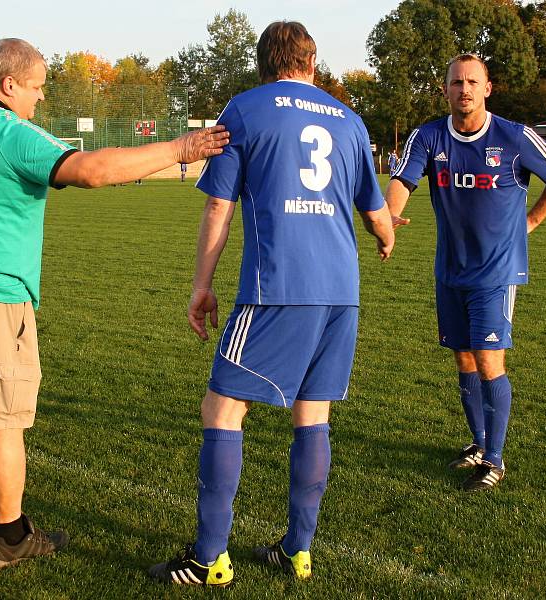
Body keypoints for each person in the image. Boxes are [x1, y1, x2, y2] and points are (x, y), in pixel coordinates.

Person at [0, 37, 228, 568]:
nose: (40, 99)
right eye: (38, 88)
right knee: (4, 421)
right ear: (9, 84)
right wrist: (180, 150)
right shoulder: (9, 131)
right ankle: (10, 537)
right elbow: (89, 171)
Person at [148, 21, 395, 586]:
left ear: (264, 63)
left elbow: (219, 208)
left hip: (278, 289)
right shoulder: (350, 119)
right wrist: (385, 236)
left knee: (223, 409)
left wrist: (201, 285)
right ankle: (297, 550)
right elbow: (376, 212)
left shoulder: (246, 109)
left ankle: (210, 558)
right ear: (312, 61)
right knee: (314, 413)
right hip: (342, 293)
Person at [385, 53, 546, 492]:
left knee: (490, 361)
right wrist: (388, 219)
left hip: (497, 270)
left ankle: (494, 459)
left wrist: (529, 223)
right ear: (445, 89)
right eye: (456, 82)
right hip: (450, 269)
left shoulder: (514, 137)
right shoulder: (429, 137)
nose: (464, 89)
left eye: (473, 82)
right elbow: (402, 181)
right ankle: (477, 441)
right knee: (463, 357)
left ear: (487, 88)